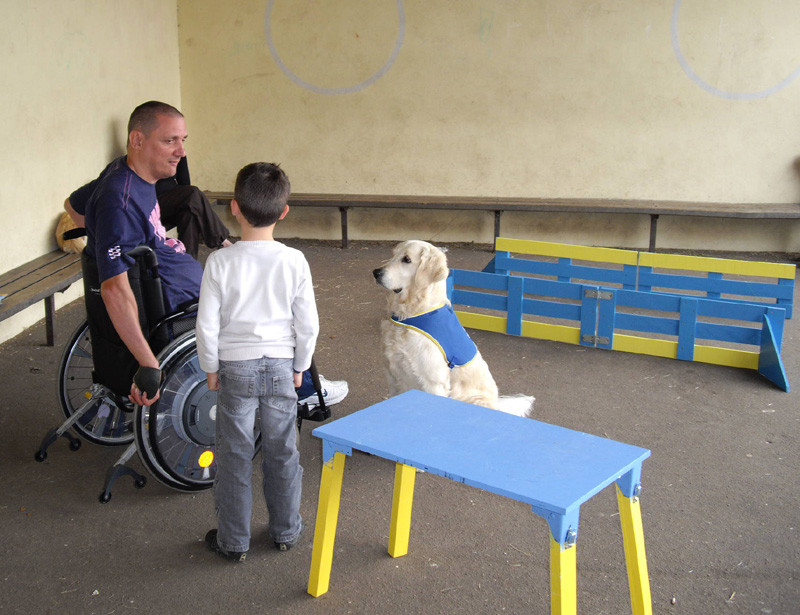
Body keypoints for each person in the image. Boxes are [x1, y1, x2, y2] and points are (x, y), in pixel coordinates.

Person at [66, 101, 347, 409]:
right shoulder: (118, 204)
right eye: (169, 140)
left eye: (182, 140)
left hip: (174, 277)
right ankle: (303, 390)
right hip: (179, 300)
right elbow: (114, 290)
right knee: (272, 301)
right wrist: (148, 364)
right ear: (137, 140)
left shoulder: (122, 172)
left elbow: (73, 206)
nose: (181, 151)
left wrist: (104, 234)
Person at [195, 162, 312, 560]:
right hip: (281, 366)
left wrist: (210, 367)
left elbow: (207, 324)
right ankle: (285, 531)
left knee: (234, 454)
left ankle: (234, 541)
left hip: (235, 367)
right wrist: (301, 366)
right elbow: (306, 323)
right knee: (282, 450)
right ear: (284, 212)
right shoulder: (294, 260)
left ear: (234, 208)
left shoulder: (220, 263)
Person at [155, 156, 233, 259]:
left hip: (173, 205)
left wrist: (180, 159)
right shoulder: (151, 151)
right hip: (154, 205)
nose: (181, 147)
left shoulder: (178, 152)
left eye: (183, 140)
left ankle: (187, 263)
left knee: (189, 213)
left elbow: (185, 183)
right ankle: (221, 240)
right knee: (193, 192)